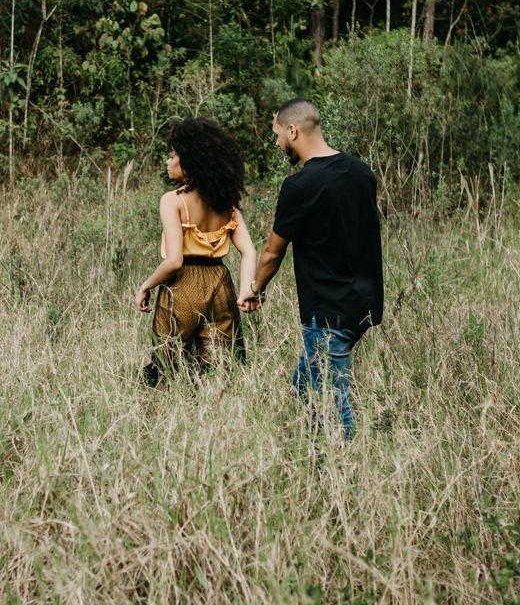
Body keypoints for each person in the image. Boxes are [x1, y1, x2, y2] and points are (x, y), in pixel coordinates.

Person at [238, 98, 383, 439]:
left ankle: (337, 475)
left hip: (328, 310)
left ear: (293, 131)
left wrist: (255, 288)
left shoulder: (300, 185)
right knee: (305, 382)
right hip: (364, 304)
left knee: (332, 403)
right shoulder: (362, 172)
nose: (276, 142)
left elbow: (273, 252)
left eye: (277, 134)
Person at [135, 117, 258, 386]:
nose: (168, 162)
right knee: (218, 373)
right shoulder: (228, 205)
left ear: (190, 161)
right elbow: (249, 251)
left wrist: (147, 285)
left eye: (173, 155)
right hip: (220, 286)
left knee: (167, 369)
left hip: (182, 289)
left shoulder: (172, 201)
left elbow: (174, 261)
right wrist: (248, 290)